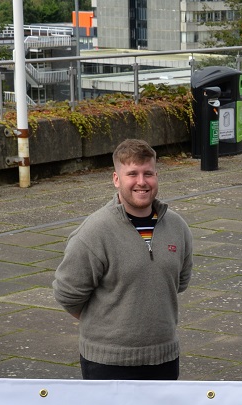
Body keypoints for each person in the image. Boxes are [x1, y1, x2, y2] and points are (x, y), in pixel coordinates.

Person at [53, 138, 193, 380]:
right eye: (132, 174)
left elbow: (179, 282)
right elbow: (68, 294)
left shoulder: (177, 228)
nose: (141, 182)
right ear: (116, 179)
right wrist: (111, 327)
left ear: (156, 176)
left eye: (148, 173)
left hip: (164, 358)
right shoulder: (95, 231)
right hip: (108, 362)